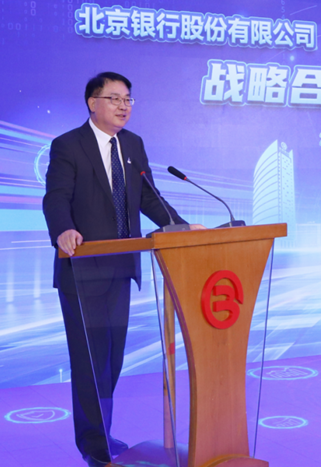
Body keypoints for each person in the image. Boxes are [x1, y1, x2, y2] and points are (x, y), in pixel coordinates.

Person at [43, 72, 201, 467]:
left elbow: (148, 196)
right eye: (114, 98)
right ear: (92, 103)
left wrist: (179, 227)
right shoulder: (68, 145)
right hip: (82, 269)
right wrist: (63, 230)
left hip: (121, 268)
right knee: (89, 361)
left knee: (111, 360)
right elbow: (56, 197)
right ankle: (92, 444)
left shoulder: (132, 145)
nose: (123, 105)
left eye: (128, 99)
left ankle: (102, 430)